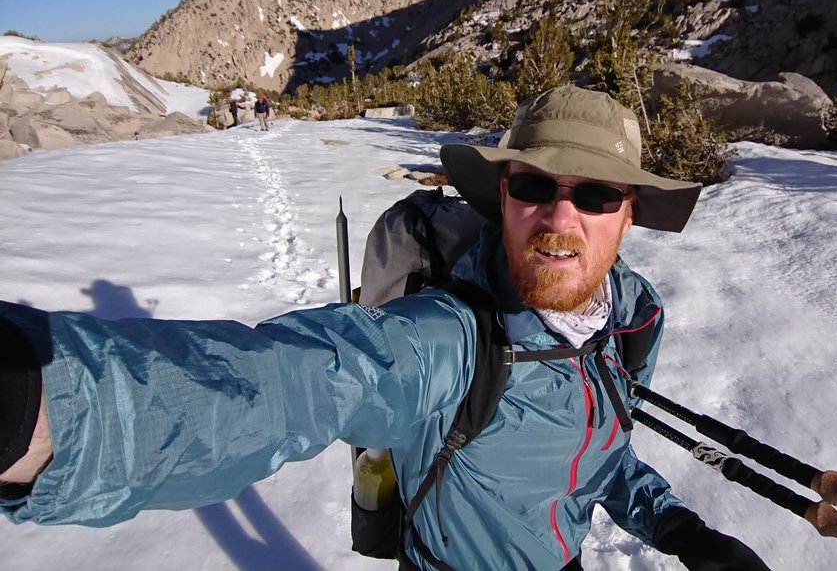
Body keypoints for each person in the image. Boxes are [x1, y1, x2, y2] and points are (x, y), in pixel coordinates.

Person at [0, 85, 770, 571]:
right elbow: (287, 381)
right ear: (502, 198)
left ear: (629, 214)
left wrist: (680, 529)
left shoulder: (629, 319)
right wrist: (35, 403)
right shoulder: (449, 340)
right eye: (536, 185)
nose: (560, 217)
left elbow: (599, 453)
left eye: (596, 194)